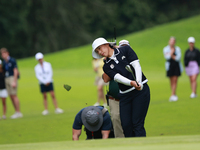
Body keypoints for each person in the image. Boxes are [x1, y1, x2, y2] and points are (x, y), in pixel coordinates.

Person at [92, 37, 150, 137]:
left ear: (106, 44)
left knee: (137, 124)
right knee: (126, 126)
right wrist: (132, 83)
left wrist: (139, 82)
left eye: (100, 48)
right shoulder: (106, 66)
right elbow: (117, 77)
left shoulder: (125, 50)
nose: (100, 52)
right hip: (125, 95)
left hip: (140, 92)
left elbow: (136, 65)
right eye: (97, 51)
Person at [103, 40, 130, 138]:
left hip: (129, 97)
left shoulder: (131, 59)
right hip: (114, 99)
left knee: (131, 123)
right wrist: (107, 61)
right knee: (116, 120)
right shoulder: (110, 62)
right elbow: (106, 79)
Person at [0, 48, 23, 119]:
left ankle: (18, 112)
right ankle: (16, 111)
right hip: (6, 78)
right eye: (2, 54)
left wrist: (14, 81)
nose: (3, 55)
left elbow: (15, 71)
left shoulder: (12, 60)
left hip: (12, 78)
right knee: (11, 96)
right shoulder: (4, 62)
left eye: (4, 53)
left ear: (7, 53)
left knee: (14, 95)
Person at [163, 37, 183, 102]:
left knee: (175, 80)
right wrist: (171, 53)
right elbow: (167, 57)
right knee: (171, 81)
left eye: (173, 41)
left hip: (176, 66)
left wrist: (170, 54)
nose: (172, 42)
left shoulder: (177, 49)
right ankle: (174, 94)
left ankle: (172, 95)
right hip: (170, 66)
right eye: (171, 41)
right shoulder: (165, 49)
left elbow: (178, 58)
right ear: (169, 42)